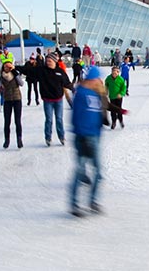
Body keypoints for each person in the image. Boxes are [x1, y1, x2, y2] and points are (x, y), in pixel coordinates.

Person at [70, 66, 106, 217]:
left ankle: (92, 201)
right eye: (98, 79)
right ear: (92, 79)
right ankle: (75, 203)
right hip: (85, 137)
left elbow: (101, 112)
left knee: (97, 172)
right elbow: (76, 117)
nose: (100, 81)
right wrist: (82, 136)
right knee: (81, 171)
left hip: (94, 136)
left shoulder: (96, 94)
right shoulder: (82, 94)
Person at [29, 54, 74, 146]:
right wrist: (14, 68)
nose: (48, 63)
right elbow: (28, 71)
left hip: (58, 100)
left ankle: (61, 136)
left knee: (59, 119)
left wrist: (74, 89)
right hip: (47, 100)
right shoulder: (42, 71)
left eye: (50, 61)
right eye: (47, 61)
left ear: (55, 61)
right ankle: (48, 137)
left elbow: (67, 83)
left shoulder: (60, 72)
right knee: (49, 119)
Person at [0, 61, 24, 149]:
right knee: (7, 122)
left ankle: (19, 139)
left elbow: (21, 83)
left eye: (9, 67)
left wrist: (15, 72)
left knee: (17, 121)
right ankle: (7, 140)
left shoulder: (15, 74)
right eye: (5, 67)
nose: (7, 68)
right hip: (7, 100)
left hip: (17, 99)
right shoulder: (3, 76)